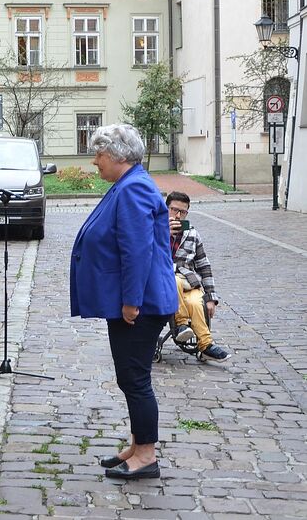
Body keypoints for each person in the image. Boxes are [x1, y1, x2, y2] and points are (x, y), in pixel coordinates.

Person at [69, 124, 177, 481]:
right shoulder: (128, 184)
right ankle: (137, 444)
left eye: (98, 153)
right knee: (130, 377)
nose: (94, 161)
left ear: (117, 155)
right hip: (135, 302)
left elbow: (137, 252)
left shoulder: (133, 190)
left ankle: (146, 456)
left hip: (140, 305)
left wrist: (131, 302)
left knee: (135, 378)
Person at [166, 191, 231, 362]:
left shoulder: (192, 234)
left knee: (196, 302)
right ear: (166, 209)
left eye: (183, 212)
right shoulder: (154, 230)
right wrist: (164, 232)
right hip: (166, 282)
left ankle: (205, 346)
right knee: (173, 280)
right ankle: (181, 325)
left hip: (189, 283)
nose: (178, 215)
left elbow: (204, 265)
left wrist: (211, 298)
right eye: (174, 210)